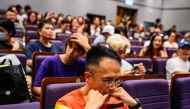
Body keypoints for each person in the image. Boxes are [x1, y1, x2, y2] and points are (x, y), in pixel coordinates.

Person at [55, 45, 142, 109]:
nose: (114, 87)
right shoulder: (65, 104)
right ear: (88, 77)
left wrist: (134, 104)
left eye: (117, 80)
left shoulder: (118, 98)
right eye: (108, 80)